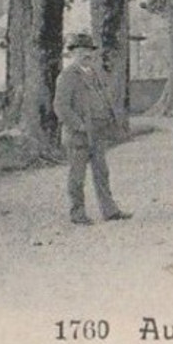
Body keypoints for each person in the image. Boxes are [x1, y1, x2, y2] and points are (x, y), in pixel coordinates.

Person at [55, 33, 132, 225]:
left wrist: (110, 121)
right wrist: (78, 125)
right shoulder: (67, 76)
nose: (85, 54)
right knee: (77, 176)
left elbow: (104, 99)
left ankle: (110, 210)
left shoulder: (94, 73)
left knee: (102, 172)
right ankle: (77, 213)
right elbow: (61, 106)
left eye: (88, 50)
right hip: (78, 135)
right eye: (80, 50)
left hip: (97, 132)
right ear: (72, 53)